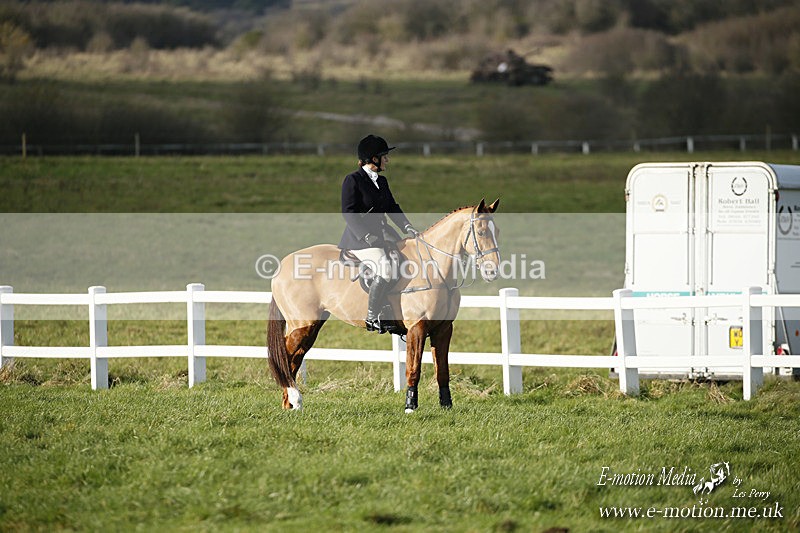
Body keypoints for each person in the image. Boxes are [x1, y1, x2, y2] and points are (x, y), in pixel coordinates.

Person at [339, 134, 418, 333]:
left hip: (383, 234)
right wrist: (365, 235)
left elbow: (392, 207)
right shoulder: (353, 180)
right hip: (360, 240)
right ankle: (372, 316)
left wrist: (407, 227)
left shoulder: (381, 181)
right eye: (384, 156)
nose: (387, 160)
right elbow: (348, 212)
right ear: (374, 159)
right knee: (385, 269)